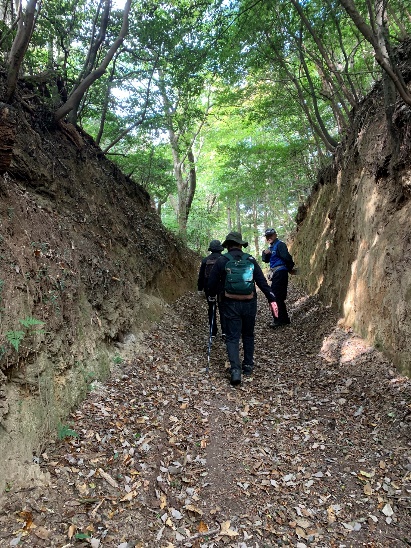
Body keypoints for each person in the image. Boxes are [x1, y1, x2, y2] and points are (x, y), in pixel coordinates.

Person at [207, 231, 277, 386]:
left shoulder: (222, 260)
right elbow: (261, 282)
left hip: (230, 304)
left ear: (227, 245)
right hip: (249, 303)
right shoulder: (250, 259)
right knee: (248, 334)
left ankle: (235, 370)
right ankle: (248, 366)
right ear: (240, 244)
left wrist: (212, 295)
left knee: (232, 337)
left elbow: (211, 283)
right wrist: (271, 297)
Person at [262, 228, 294, 328]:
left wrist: (289, 268)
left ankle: (278, 320)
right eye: (267, 236)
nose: (269, 238)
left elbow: (287, 257)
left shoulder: (280, 244)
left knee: (275, 296)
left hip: (280, 273)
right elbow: (265, 260)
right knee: (278, 297)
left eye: (270, 235)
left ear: (275, 235)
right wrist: (265, 253)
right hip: (276, 273)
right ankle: (284, 319)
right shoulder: (271, 247)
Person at [197, 239, 226, 339]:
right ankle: (224, 332)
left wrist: (200, 288)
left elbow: (201, 276)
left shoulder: (205, 260)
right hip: (222, 288)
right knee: (223, 308)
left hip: (209, 288)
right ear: (220, 249)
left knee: (212, 308)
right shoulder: (224, 259)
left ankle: (213, 331)